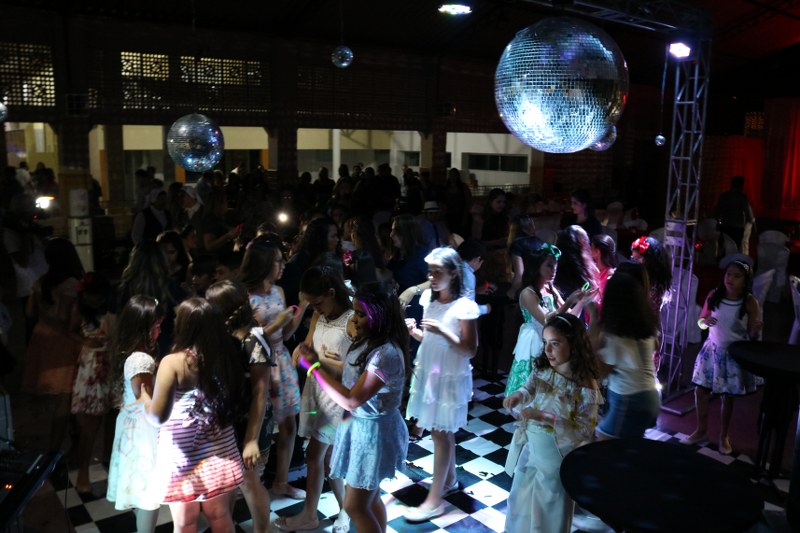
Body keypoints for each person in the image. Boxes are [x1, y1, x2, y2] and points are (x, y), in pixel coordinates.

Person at [295, 282, 409, 533]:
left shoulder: (386, 354)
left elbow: (351, 399)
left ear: (380, 316)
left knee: (355, 506)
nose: (354, 319)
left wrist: (314, 368)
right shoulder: (370, 342)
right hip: (362, 428)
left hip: (374, 434)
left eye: (360, 314)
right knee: (371, 498)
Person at [143, 298, 245, 532]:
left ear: (184, 325)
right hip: (220, 450)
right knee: (220, 516)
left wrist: (145, 398)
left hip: (183, 457)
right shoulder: (227, 355)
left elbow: (158, 416)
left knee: (185, 522)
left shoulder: (173, 362)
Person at [503, 314, 601, 533]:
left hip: (557, 455)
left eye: (555, 344)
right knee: (521, 497)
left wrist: (543, 416)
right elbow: (529, 387)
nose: (547, 350)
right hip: (532, 447)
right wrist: (518, 395)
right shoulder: (544, 368)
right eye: (545, 342)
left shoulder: (585, 383)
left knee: (548, 506)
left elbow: (585, 428)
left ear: (573, 344)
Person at [276, 266, 354, 533]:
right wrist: (301, 352)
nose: (316, 309)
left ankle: (310, 514)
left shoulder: (352, 320)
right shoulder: (319, 316)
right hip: (317, 391)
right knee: (329, 457)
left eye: (318, 302)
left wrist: (318, 362)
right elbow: (309, 347)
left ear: (332, 293)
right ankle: (345, 509)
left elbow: (357, 369)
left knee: (314, 455)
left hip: (338, 397)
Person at [404, 247, 479, 521]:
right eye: (430, 272)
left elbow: (470, 349)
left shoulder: (464, 307)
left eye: (437, 272)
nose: (432, 277)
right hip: (431, 372)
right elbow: (431, 339)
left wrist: (444, 331)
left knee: (440, 432)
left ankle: (434, 501)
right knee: (440, 431)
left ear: (453, 273)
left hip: (449, 375)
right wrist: (416, 332)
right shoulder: (429, 300)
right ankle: (448, 481)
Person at [240, 241, 309, 500]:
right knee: (259, 426)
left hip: (282, 361)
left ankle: (281, 482)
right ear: (263, 264)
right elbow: (246, 340)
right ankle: (250, 485)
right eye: (278, 260)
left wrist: (301, 308)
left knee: (289, 424)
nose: (283, 265)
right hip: (259, 366)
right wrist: (275, 325)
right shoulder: (246, 297)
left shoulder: (279, 291)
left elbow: (286, 333)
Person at [206, 281, 274, 533]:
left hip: (251, 421)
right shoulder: (224, 335)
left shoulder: (254, 338)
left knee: (248, 480)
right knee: (229, 480)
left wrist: (251, 439)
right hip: (230, 419)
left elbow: (260, 392)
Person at [680, 256, 762, 454]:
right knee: (700, 391)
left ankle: (724, 436)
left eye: (736, 276)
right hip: (712, 350)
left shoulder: (749, 302)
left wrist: (755, 330)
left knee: (728, 397)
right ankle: (701, 430)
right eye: (728, 274)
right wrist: (704, 323)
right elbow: (701, 321)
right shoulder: (714, 295)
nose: (730, 279)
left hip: (733, 354)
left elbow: (752, 335)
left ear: (745, 280)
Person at [106, 295, 163, 533]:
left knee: (145, 495)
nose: (160, 329)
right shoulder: (141, 360)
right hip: (144, 433)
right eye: (156, 325)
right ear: (144, 327)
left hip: (134, 427)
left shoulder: (130, 354)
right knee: (150, 494)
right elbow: (147, 402)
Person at [22, 237, 85, 451]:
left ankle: (74, 437)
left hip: (41, 340)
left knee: (62, 396)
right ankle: (54, 449)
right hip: (63, 344)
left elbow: (29, 312)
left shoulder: (41, 281)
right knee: (64, 397)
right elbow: (64, 319)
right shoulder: (71, 284)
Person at [505, 244, 588, 396]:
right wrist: (569, 301)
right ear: (537, 267)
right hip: (535, 342)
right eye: (549, 265)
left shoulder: (551, 289)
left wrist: (582, 301)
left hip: (552, 341)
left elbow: (571, 316)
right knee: (531, 389)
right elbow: (546, 321)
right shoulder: (527, 293)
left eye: (555, 266)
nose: (554, 270)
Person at [588, 266, 660, 439]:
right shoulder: (644, 324)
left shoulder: (616, 335)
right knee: (628, 446)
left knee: (604, 442)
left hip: (629, 399)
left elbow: (598, 371)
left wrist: (593, 320)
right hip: (650, 395)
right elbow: (656, 345)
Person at [70, 272, 113, 494]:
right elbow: (69, 332)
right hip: (90, 369)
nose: (94, 301)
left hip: (109, 366)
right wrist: (84, 340)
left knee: (111, 421)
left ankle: (109, 465)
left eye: (97, 296)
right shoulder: (79, 311)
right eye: (90, 296)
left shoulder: (112, 313)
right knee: (91, 424)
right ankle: (83, 471)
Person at [714, 175, 755, 251]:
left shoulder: (723, 195)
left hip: (726, 225)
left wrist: (719, 223)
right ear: (740, 185)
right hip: (737, 227)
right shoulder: (741, 196)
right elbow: (747, 212)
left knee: (726, 246)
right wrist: (750, 221)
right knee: (736, 247)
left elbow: (718, 212)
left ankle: (725, 257)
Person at [591, 233, 618, 304]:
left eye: (591, 247)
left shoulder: (611, 276)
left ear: (597, 252)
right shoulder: (591, 268)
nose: (589, 250)